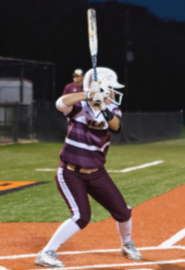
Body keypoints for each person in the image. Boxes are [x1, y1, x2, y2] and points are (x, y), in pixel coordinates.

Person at [36, 68, 137, 268]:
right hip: (71, 172)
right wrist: (88, 94)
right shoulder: (79, 106)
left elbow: (116, 127)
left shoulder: (113, 108)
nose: (113, 93)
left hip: (97, 172)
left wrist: (103, 106)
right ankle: (46, 253)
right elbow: (60, 103)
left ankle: (126, 244)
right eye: (110, 89)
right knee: (81, 216)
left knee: (123, 212)